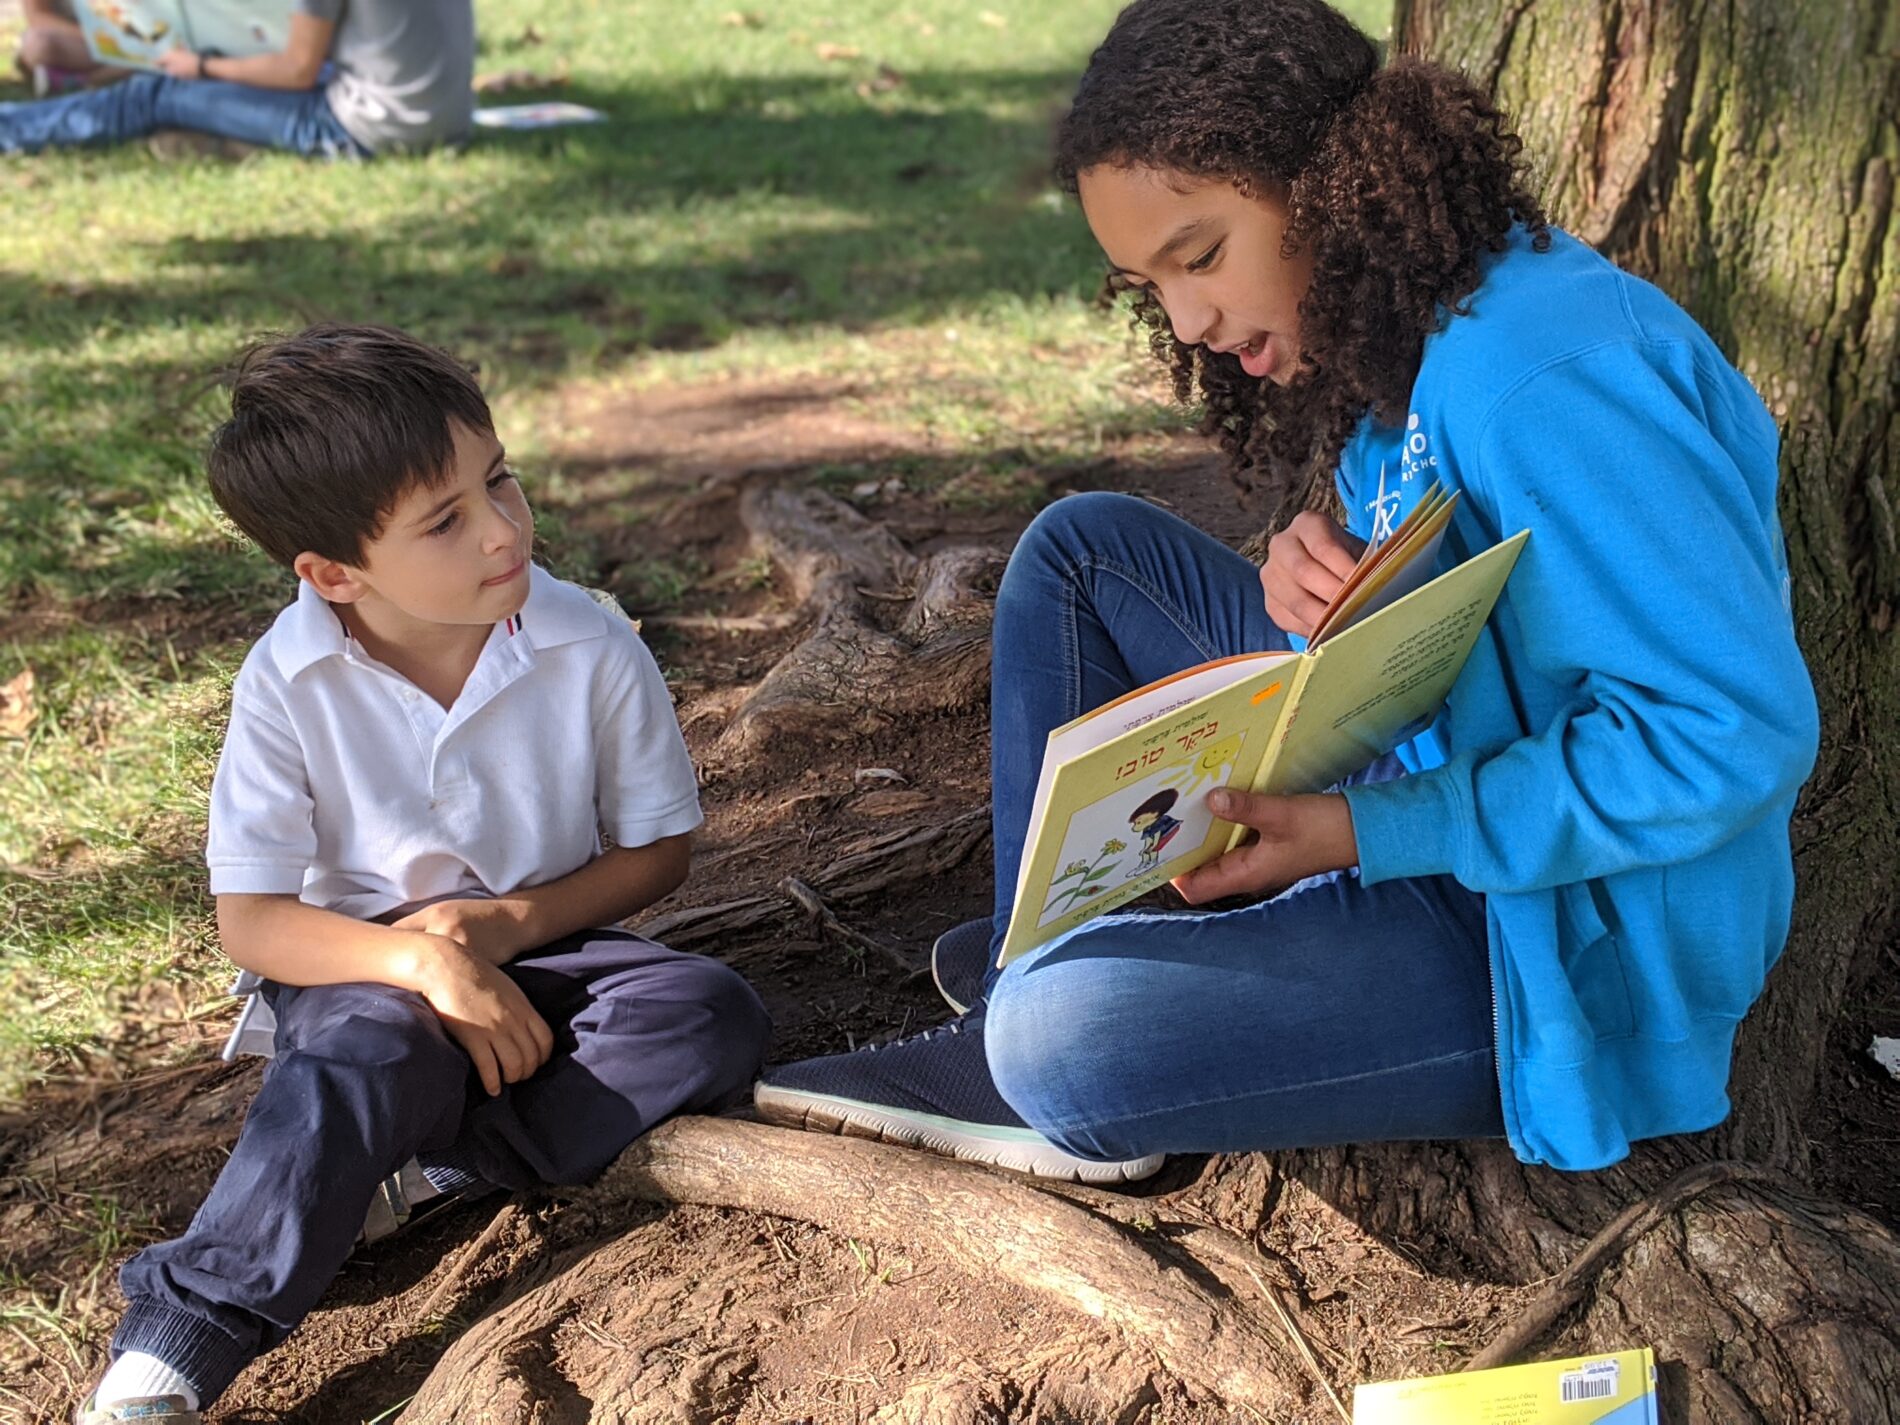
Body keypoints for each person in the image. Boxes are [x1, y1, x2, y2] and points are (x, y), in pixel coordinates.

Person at [755, 0, 1819, 1185]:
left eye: (1201, 256)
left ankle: (1035, 1037)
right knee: (1084, 552)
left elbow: (1724, 738)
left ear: (1327, 181)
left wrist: (1361, 832)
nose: (1191, 323)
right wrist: (1313, 569)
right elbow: (1469, 604)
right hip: (1444, 783)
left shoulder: (1547, 381)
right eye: (1147, 284)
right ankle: (1058, 963)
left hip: (1564, 943)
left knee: (1060, 1044)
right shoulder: (1413, 323)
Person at [74, 325, 771, 1424]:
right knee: (371, 1046)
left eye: (499, 481)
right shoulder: (289, 682)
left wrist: (495, 933)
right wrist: (419, 962)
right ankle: (178, 1340)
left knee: (707, 1015)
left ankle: (399, 1168)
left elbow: (656, 852)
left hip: (544, 950)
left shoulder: (587, 640)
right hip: (355, 970)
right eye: (445, 520)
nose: (503, 531)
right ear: (333, 573)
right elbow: (254, 923)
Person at [1, 0, 473, 158]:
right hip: (449, 117)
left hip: (368, 128)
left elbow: (295, 70)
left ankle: (11, 130)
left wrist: (202, 68)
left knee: (158, 92)